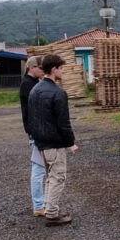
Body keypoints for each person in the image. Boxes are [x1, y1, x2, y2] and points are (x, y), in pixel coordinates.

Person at [29, 54, 79, 226]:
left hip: (41, 143)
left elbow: (32, 118)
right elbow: (63, 122)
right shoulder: (58, 93)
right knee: (58, 177)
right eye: (61, 68)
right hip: (55, 143)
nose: (63, 71)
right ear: (54, 69)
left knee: (50, 176)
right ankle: (51, 213)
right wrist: (71, 142)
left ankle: (50, 208)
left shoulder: (35, 90)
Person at [19, 55, 46, 216]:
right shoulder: (28, 85)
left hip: (36, 129)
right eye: (40, 68)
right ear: (32, 68)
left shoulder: (33, 83)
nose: (43, 70)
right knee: (38, 168)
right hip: (36, 131)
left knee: (41, 168)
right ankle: (38, 205)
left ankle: (40, 203)